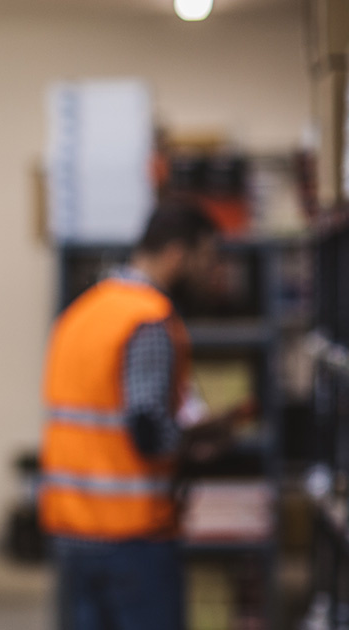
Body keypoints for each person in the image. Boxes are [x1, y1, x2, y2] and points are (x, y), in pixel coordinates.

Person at [39, 203, 251, 630]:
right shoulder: (147, 319)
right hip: (130, 537)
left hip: (71, 530)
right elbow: (148, 427)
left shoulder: (80, 314)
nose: (210, 274)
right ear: (176, 254)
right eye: (205, 260)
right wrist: (197, 440)